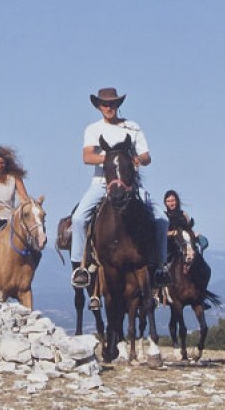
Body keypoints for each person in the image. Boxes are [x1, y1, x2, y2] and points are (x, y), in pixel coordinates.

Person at [70, 87, 171, 288]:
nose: (109, 107)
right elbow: (87, 156)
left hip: (130, 185)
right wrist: (113, 159)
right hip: (101, 184)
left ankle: (160, 267)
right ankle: (80, 267)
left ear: (118, 105)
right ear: (99, 106)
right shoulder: (93, 129)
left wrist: (133, 159)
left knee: (161, 219)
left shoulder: (132, 127)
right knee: (78, 218)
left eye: (112, 103)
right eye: (105, 104)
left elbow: (147, 157)